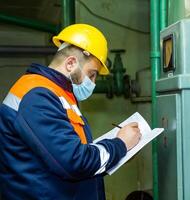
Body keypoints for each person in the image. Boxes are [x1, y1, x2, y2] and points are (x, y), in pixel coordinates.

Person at [0, 24, 141, 200]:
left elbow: (71, 152)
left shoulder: (58, 93)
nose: (93, 83)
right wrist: (119, 145)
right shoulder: (37, 96)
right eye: (92, 74)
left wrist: (118, 153)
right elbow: (74, 162)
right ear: (71, 63)